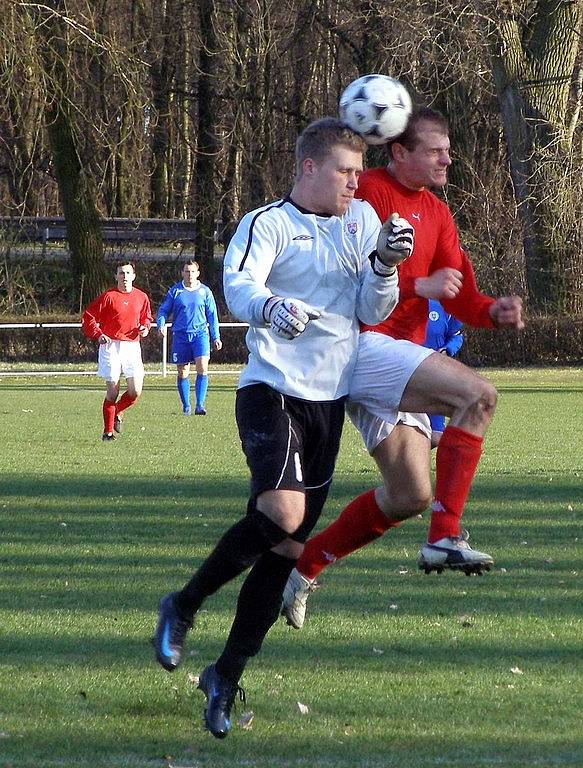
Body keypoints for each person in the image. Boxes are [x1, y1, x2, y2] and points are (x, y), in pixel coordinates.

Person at [152, 117, 407, 738]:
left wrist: (382, 265)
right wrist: (269, 306)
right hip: (271, 390)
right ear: (308, 168)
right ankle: (183, 605)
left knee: (285, 547)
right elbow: (237, 285)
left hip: (328, 399)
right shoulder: (270, 222)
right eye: (346, 171)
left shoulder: (364, 222)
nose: (355, 183)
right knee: (285, 515)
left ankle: (225, 675)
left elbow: (374, 310)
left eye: (358, 171)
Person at [282, 106, 524, 630]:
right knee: (478, 396)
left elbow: (460, 294)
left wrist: (492, 313)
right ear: (399, 152)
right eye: (435, 150)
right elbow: (343, 275)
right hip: (361, 344)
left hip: (395, 358)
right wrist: (419, 287)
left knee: (410, 495)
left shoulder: (437, 212)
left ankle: (304, 566)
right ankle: (444, 538)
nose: (447, 158)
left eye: (447, 149)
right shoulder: (364, 190)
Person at [82, 261, 152, 441]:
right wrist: (98, 334)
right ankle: (108, 433)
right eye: (121, 273)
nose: (125, 276)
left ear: (134, 276)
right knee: (112, 392)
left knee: (135, 391)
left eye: (128, 273)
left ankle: (117, 412)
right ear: (116, 276)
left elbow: (146, 318)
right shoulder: (108, 296)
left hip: (132, 346)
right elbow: (88, 316)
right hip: (111, 345)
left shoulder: (141, 297)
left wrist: (145, 327)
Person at [157, 260, 222, 416]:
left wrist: (216, 336)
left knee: (202, 367)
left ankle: (200, 405)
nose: (190, 274)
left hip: (200, 334)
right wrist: (161, 324)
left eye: (192, 271)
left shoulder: (205, 292)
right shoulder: (175, 291)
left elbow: (212, 316)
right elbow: (163, 311)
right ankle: (186, 406)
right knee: (183, 372)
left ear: (198, 273)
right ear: (182, 273)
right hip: (181, 336)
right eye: (187, 271)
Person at [423, 299, 464, 447]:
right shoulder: (403, 297)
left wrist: (448, 349)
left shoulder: (445, 305)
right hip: (406, 374)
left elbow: (456, 335)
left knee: (436, 436)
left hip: (435, 375)